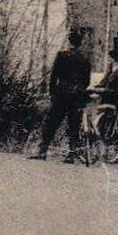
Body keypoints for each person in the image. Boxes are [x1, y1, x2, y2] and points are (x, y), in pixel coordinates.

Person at [32, 30, 91, 162]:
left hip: (62, 94)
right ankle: (71, 155)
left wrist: (52, 94)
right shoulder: (85, 59)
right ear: (80, 44)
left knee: (51, 123)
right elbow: (87, 81)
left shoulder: (62, 56)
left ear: (69, 42)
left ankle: (43, 151)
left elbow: (54, 76)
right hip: (77, 96)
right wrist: (79, 90)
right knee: (74, 125)